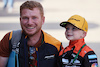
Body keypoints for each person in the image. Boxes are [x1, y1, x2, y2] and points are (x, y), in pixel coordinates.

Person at [0, 1, 63, 67]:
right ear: (20, 20)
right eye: (25, 18)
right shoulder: (10, 39)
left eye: (34, 18)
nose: (30, 22)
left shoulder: (56, 46)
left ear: (43, 20)